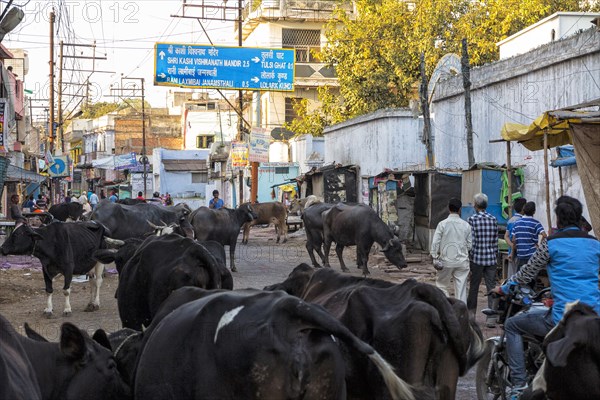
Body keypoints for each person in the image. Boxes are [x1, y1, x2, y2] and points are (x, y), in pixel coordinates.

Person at [493, 196, 599, 399]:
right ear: (579, 218)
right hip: (595, 314)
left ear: (558, 220)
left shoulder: (551, 244)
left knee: (512, 325)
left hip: (563, 318)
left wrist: (505, 288)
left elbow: (526, 273)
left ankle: (518, 383)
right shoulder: (595, 245)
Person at [430, 198, 472, 304]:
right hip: (462, 262)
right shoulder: (466, 225)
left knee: (442, 286)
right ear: (460, 210)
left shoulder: (442, 224)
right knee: (461, 289)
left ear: (449, 209)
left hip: (445, 261)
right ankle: (461, 313)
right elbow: (470, 245)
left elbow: (435, 242)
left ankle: (446, 309)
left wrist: (434, 256)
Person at [467, 193, 499, 325]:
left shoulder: (472, 219)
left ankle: (471, 317)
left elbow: (471, 242)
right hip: (491, 259)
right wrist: (494, 255)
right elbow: (495, 241)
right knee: (491, 287)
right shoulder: (493, 219)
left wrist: (470, 257)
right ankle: (491, 319)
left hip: (477, 259)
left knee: (474, 288)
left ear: (475, 205)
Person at [512, 201, 547, 271]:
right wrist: (539, 246)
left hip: (521, 255)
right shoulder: (536, 223)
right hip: (532, 255)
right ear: (534, 212)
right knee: (531, 277)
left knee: (520, 278)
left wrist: (513, 253)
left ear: (524, 210)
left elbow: (513, 240)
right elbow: (545, 235)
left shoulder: (516, 223)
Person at [504, 197, 527, 277]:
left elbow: (506, 236)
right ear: (524, 208)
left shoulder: (510, 220)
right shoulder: (524, 221)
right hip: (521, 253)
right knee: (520, 275)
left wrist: (512, 246)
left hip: (511, 252)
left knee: (511, 275)